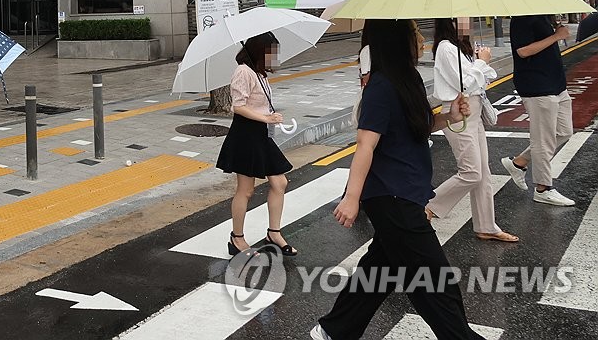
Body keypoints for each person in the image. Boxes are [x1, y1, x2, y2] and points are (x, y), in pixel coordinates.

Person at [311, 19, 480, 340]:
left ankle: (334, 330)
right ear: (395, 40)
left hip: (407, 192)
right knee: (435, 282)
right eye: (413, 33)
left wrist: (450, 116)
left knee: (380, 271)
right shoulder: (380, 86)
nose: (420, 38)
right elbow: (366, 144)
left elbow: (416, 126)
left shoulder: (409, 79)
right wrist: (351, 197)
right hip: (391, 196)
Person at [424, 18, 517, 242]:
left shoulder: (460, 48)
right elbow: (465, 83)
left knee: (483, 173)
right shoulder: (446, 48)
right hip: (459, 112)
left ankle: (486, 225)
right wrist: (482, 63)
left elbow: (485, 79)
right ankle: (429, 207)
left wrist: (480, 63)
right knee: (471, 172)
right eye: (466, 17)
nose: (471, 22)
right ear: (451, 20)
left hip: (474, 110)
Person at [215, 32, 296, 257]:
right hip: (245, 135)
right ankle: (237, 239)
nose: (274, 58)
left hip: (260, 134)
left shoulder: (259, 73)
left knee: (280, 182)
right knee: (246, 190)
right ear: (261, 51)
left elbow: (258, 105)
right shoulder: (243, 72)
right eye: (271, 52)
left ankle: (274, 232)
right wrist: (266, 118)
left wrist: (270, 115)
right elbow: (238, 106)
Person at [502, 14, 575, 206]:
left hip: (556, 83)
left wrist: (556, 30)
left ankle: (518, 162)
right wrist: (556, 36)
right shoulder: (522, 18)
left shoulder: (544, 16)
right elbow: (523, 51)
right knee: (543, 140)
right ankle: (543, 189)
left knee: (564, 132)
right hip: (537, 85)